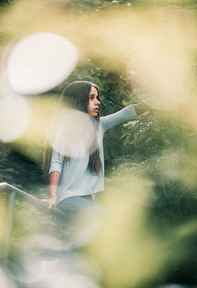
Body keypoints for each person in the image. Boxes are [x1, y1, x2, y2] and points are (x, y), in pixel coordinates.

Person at [42, 80, 148, 238]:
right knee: (108, 221)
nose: (97, 102)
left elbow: (127, 112)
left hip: (88, 201)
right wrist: (53, 196)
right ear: (79, 100)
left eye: (97, 97)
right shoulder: (63, 129)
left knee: (94, 238)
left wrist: (157, 101)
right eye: (92, 98)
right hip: (67, 198)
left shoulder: (99, 126)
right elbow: (56, 164)